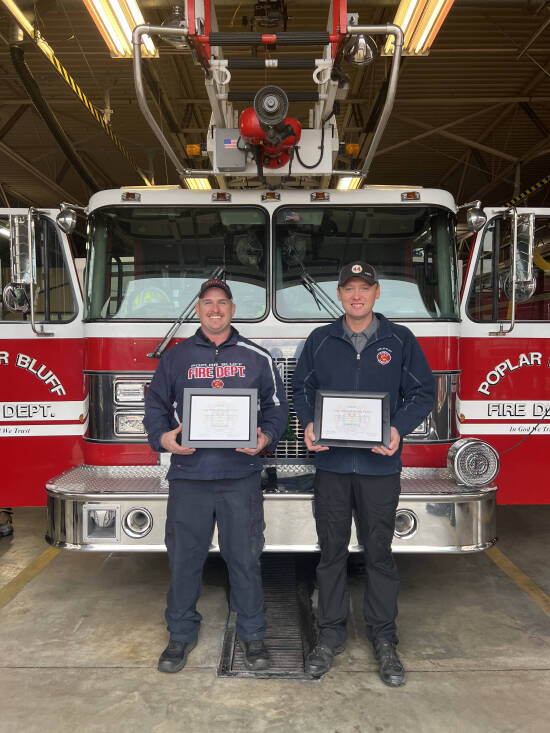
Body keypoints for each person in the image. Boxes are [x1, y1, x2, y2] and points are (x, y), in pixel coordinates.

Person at [293, 261, 435, 685]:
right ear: (339, 295)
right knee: (331, 554)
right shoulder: (321, 340)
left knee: (379, 555)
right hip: (333, 467)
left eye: (364, 288)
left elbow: (423, 391)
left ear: (377, 294)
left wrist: (396, 428)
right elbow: (301, 387)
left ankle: (384, 639)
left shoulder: (401, 340)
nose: (357, 295)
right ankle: (330, 635)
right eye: (349, 289)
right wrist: (309, 423)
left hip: (379, 468)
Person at [144, 279, 288, 674]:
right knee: (185, 561)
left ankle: (253, 634)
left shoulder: (258, 357)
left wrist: (265, 437)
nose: (214, 309)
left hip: (239, 476)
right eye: (207, 303)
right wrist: (163, 438)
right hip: (189, 477)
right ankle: (180, 634)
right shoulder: (175, 357)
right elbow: (154, 404)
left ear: (232, 309)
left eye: (221, 303)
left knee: (244, 559)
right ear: (198, 310)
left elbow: (277, 409)